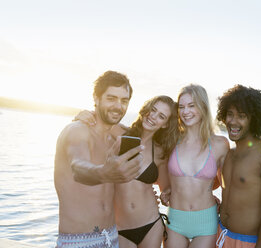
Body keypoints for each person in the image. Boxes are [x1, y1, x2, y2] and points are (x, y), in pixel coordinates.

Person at [75, 95, 179, 248]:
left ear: (165, 124)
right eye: (153, 110)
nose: (153, 116)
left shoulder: (159, 152)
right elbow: (93, 122)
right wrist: (81, 116)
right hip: (120, 228)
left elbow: (165, 188)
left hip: (151, 224)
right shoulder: (118, 133)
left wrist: (166, 193)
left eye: (161, 116)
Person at [54, 71, 143, 248]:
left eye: (124, 101)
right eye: (111, 98)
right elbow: (78, 167)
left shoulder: (115, 138)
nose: (118, 106)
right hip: (79, 241)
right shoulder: (77, 131)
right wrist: (103, 173)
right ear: (96, 98)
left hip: (111, 237)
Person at [215, 85, 261, 248]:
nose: (233, 121)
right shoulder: (227, 154)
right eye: (230, 114)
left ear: (254, 119)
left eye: (241, 116)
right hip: (219, 235)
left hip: (248, 243)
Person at [163, 84, 230, 248]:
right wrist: (167, 189)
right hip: (175, 220)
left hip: (206, 222)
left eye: (192, 105)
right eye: (181, 107)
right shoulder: (171, 140)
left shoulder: (220, 144)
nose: (186, 111)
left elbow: (225, 184)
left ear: (203, 107)